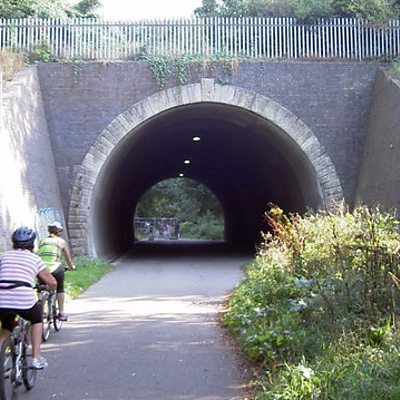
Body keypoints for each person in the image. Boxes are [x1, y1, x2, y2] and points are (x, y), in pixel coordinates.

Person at [0, 226, 57, 369]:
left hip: (2, 299)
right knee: (36, 319)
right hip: (22, 299)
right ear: (32, 243)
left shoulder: (5, 256)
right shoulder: (34, 259)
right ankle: (36, 357)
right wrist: (49, 289)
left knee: (6, 327)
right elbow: (52, 282)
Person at [37, 221, 76, 322]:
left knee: (41, 287)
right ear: (59, 232)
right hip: (55, 267)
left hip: (41, 268)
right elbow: (68, 259)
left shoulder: (42, 240)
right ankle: (61, 313)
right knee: (60, 288)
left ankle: (41, 311)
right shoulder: (61, 241)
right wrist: (71, 267)